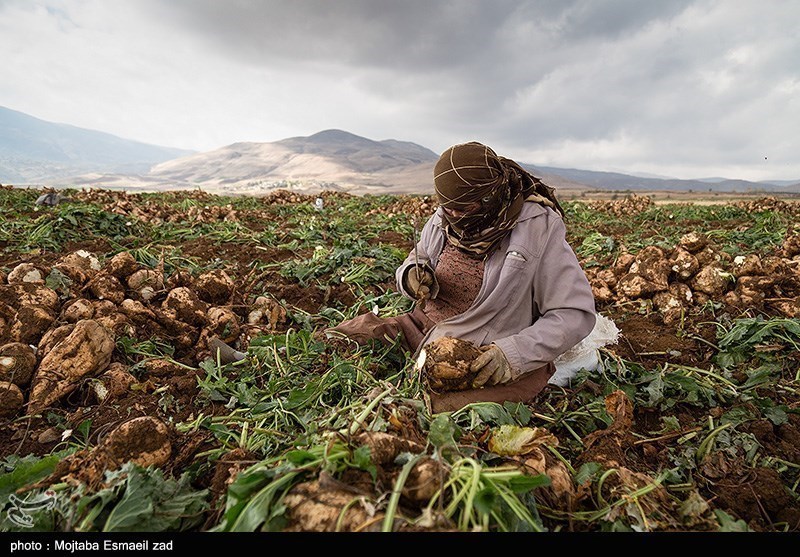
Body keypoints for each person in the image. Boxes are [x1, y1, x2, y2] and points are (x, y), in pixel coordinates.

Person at [327, 141, 597, 413]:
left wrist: (512, 354)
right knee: (338, 339)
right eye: (447, 207)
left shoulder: (537, 229)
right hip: (420, 328)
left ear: (490, 197)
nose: (453, 215)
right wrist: (411, 275)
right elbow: (418, 254)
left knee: (429, 410)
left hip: (481, 353)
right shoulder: (446, 213)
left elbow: (574, 313)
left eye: (463, 208)